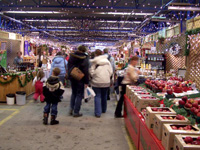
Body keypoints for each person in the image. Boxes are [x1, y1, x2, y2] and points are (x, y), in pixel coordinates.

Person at [90, 49, 113, 118]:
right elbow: (111, 72)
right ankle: (103, 109)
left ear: (95, 55)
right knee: (104, 95)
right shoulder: (107, 62)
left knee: (97, 96)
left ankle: (98, 113)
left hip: (96, 82)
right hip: (106, 82)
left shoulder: (94, 62)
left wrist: (94, 76)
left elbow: (91, 71)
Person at [68, 45, 89, 117]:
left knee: (73, 93)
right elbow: (86, 70)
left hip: (72, 76)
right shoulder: (85, 58)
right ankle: (76, 112)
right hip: (81, 78)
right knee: (79, 94)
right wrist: (86, 81)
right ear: (84, 50)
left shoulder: (72, 56)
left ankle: (71, 108)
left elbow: (68, 67)